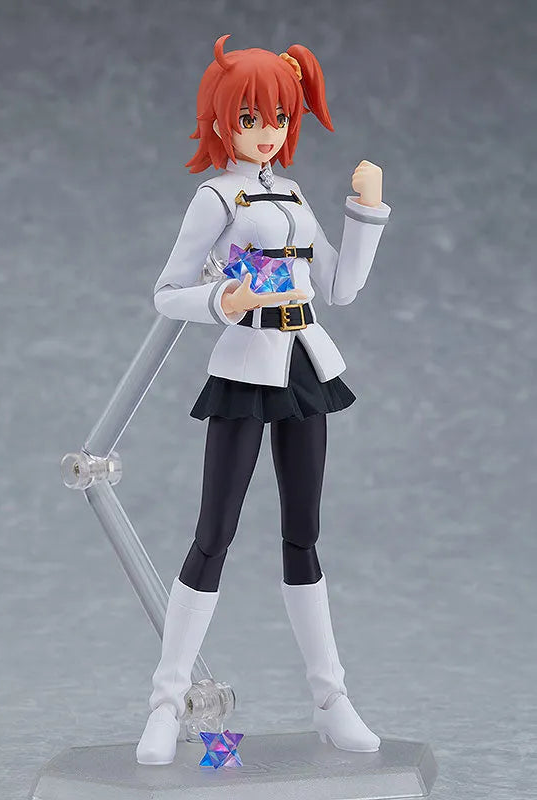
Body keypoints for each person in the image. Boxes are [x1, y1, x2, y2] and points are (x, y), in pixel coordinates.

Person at [136, 34, 391, 765]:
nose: (267, 131)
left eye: (278, 116)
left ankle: (331, 700)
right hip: (246, 367)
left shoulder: (296, 195)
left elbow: (338, 289)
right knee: (213, 533)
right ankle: (165, 703)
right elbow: (167, 292)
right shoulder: (216, 196)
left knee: (303, 533)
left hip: (305, 364)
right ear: (223, 120)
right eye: (250, 117)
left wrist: (365, 212)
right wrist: (224, 298)